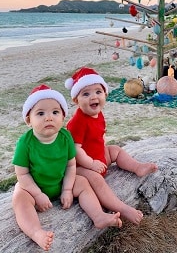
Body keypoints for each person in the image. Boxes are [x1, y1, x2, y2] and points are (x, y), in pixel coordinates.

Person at [12, 84, 122, 252]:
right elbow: (22, 173)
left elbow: (71, 165)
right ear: (28, 120)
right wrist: (37, 194)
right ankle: (36, 232)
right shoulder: (25, 143)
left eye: (55, 112)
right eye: (40, 113)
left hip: (61, 181)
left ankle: (98, 216)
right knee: (19, 196)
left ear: (63, 116)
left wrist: (67, 189)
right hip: (34, 186)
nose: (48, 117)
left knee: (83, 182)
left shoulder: (65, 137)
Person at [66, 67, 158, 225]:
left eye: (98, 92)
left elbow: (99, 137)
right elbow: (74, 149)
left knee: (115, 150)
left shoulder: (99, 114)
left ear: (105, 95)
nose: (93, 97)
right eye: (86, 94)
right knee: (95, 179)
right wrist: (91, 163)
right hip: (81, 166)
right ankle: (122, 209)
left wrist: (103, 154)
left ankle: (137, 167)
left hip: (98, 158)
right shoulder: (77, 122)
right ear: (76, 100)